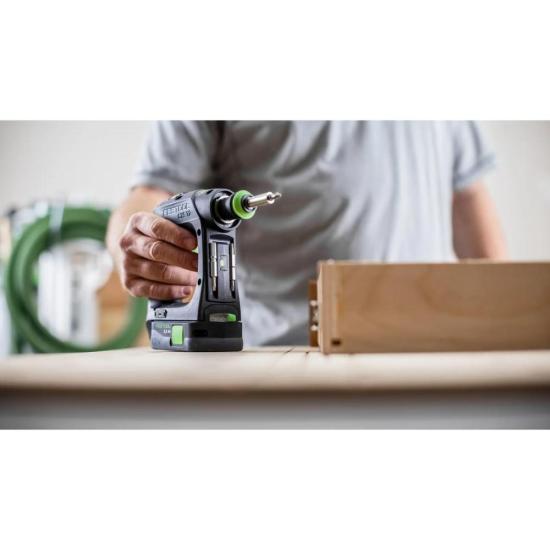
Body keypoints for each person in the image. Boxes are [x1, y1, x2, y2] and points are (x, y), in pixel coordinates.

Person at [107, 121, 507, 346]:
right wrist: (139, 241)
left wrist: (502, 324)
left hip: (429, 353)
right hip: (287, 366)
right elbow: (150, 194)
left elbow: (467, 196)